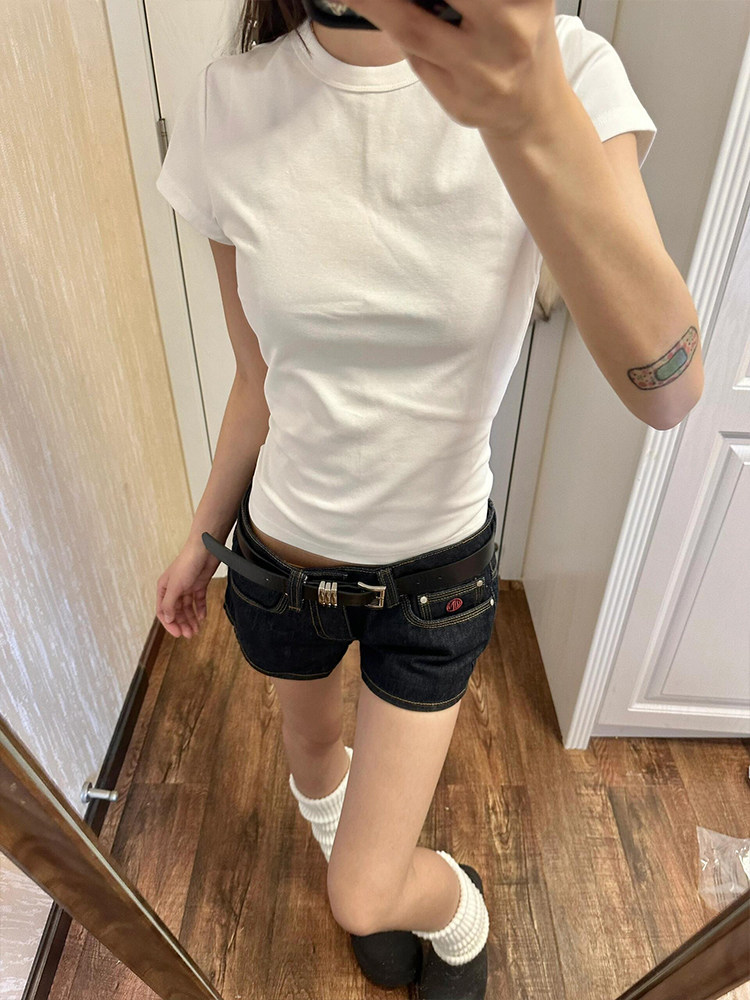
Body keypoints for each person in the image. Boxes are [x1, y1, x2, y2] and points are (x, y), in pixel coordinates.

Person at [155, 2, 659, 996]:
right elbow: (257, 381)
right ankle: (366, 877)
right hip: (279, 568)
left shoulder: (561, 75)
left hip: (435, 583)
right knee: (314, 760)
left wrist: (531, 111)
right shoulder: (231, 102)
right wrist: (201, 537)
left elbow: (666, 379)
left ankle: (449, 906)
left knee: (362, 893)